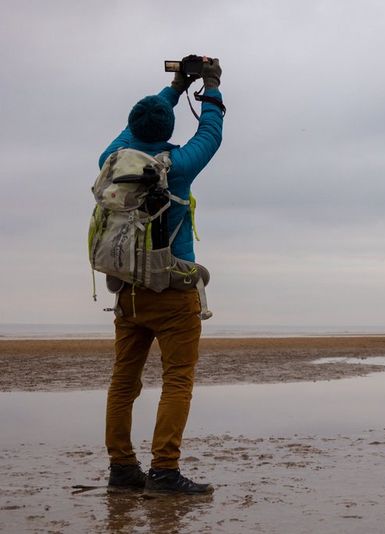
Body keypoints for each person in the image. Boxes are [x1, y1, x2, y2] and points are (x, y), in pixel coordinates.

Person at [101, 57, 224, 494]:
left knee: (123, 382)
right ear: (166, 127)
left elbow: (135, 126)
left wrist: (173, 88)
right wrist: (211, 85)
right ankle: (165, 471)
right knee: (177, 380)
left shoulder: (111, 160)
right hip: (174, 292)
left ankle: (122, 469)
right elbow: (211, 133)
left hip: (128, 292)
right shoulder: (179, 165)